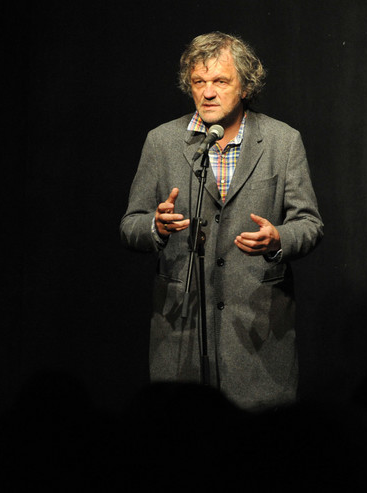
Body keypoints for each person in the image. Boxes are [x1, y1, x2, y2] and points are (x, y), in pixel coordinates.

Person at [120, 32, 323, 411]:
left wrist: (278, 238)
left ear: (245, 86)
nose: (208, 92)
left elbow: (309, 224)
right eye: (199, 82)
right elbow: (131, 224)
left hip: (257, 336)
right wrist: (155, 228)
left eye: (220, 81)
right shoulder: (162, 142)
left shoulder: (282, 141)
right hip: (181, 334)